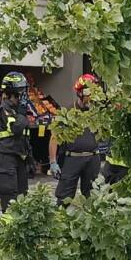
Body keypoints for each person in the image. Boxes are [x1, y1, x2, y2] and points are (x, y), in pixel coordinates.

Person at [49, 74, 101, 205]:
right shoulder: (68, 112)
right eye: (89, 92)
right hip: (72, 159)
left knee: (93, 197)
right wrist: (53, 161)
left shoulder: (98, 113)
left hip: (92, 159)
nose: (92, 97)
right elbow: (54, 138)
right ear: (80, 93)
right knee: (64, 198)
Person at [0, 71, 35, 213]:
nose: (24, 95)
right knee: (10, 199)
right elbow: (16, 128)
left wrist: (30, 158)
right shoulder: (5, 108)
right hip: (6, 158)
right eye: (21, 91)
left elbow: (24, 136)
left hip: (19, 158)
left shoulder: (17, 110)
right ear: (12, 92)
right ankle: (7, 230)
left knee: (22, 197)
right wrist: (22, 113)